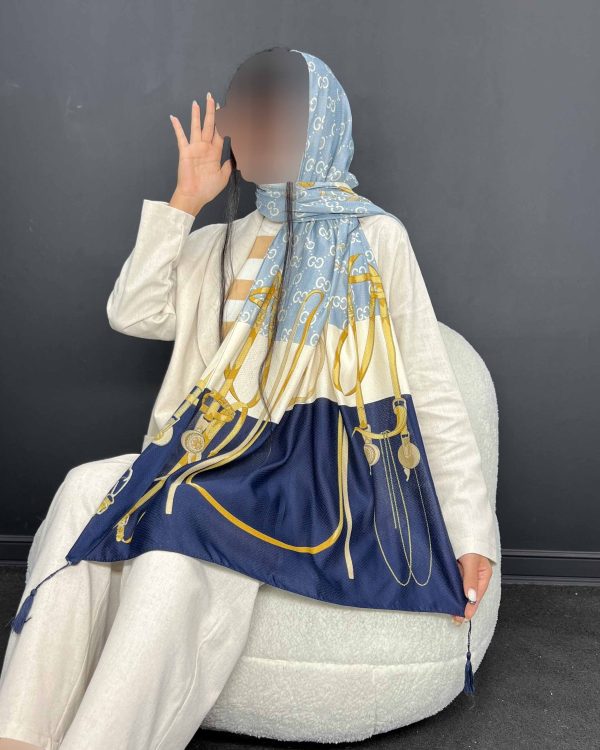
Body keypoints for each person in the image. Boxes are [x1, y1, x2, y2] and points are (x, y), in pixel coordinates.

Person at [0, 47, 498, 750]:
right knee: (86, 485)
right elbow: (133, 313)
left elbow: (431, 386)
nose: (259, 135)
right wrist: (184, 201)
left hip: (306, 476)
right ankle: (19, 735)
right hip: (207, 456)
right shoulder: (220, 242)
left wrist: (470, 533)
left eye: (281, 120)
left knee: (181, 517)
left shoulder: (374, 236)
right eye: (251, 119)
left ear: (320, 126)